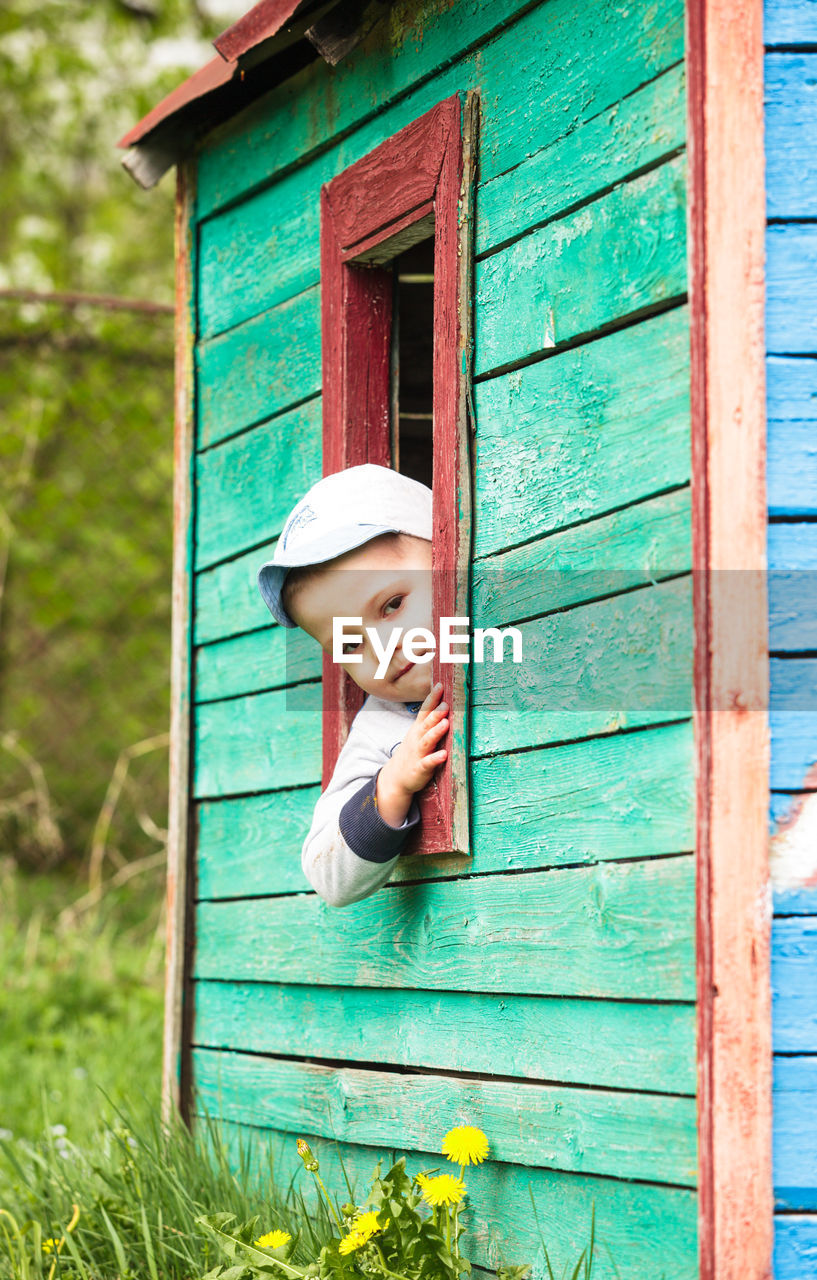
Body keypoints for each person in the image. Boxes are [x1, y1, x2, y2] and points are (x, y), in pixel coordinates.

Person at [257, 464, 449, 908]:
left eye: (393, 605)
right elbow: (325, 872)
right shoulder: (382, 728)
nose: (383, 648)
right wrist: (392, 786)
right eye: (350, 643)